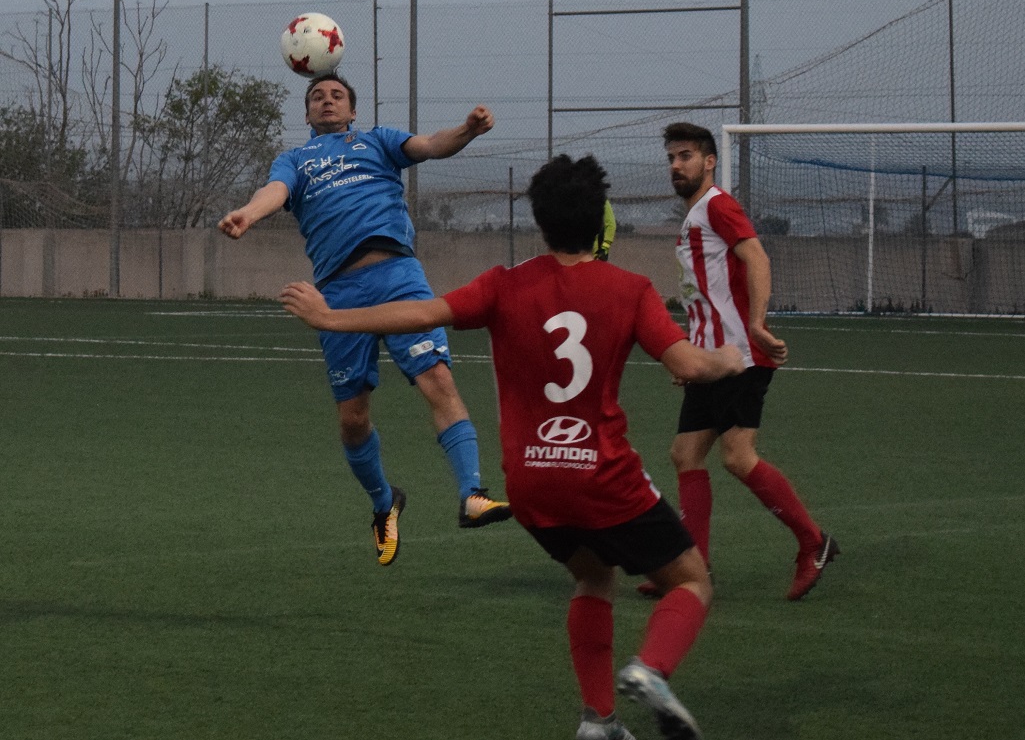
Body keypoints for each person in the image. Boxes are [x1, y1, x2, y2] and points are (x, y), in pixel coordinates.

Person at [280, 154, 745, 740]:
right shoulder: (630, 290)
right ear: (601, 219)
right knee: (691, 580)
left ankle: (597, 721)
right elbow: (691, 366)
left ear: (540, 222)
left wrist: (331, 318)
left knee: (593, 578)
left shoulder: (504, 285)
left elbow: (421, 312)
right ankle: (651, 669)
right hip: (601, 473)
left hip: (531, 483)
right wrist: (729, 358)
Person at [218, 72, 511, 568]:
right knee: (353, 420)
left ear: (352, 110)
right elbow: (275, 190)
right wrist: (249, 213)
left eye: (337, 96)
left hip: (399, 276)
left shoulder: (378, 141)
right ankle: (383, 502)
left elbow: (430, 145)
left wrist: (466, 130)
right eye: (317, 97)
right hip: (338, 294)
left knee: (438, 379)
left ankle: (472, 494)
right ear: (307, 113)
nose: (327, 101)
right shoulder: (296, 160)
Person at [639, 121, 838, 602]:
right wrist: (691, 356)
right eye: (671, 158)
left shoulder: (717, 205)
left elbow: (758, 258)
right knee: (686, 454)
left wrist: (757, 323)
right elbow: (704, 296)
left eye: (685, 156)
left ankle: (813, 542)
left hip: (741, 356)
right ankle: (694, 567)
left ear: (709, 162)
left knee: (737, 456)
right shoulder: (695, 216)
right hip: (713, 358)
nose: (676, 165)